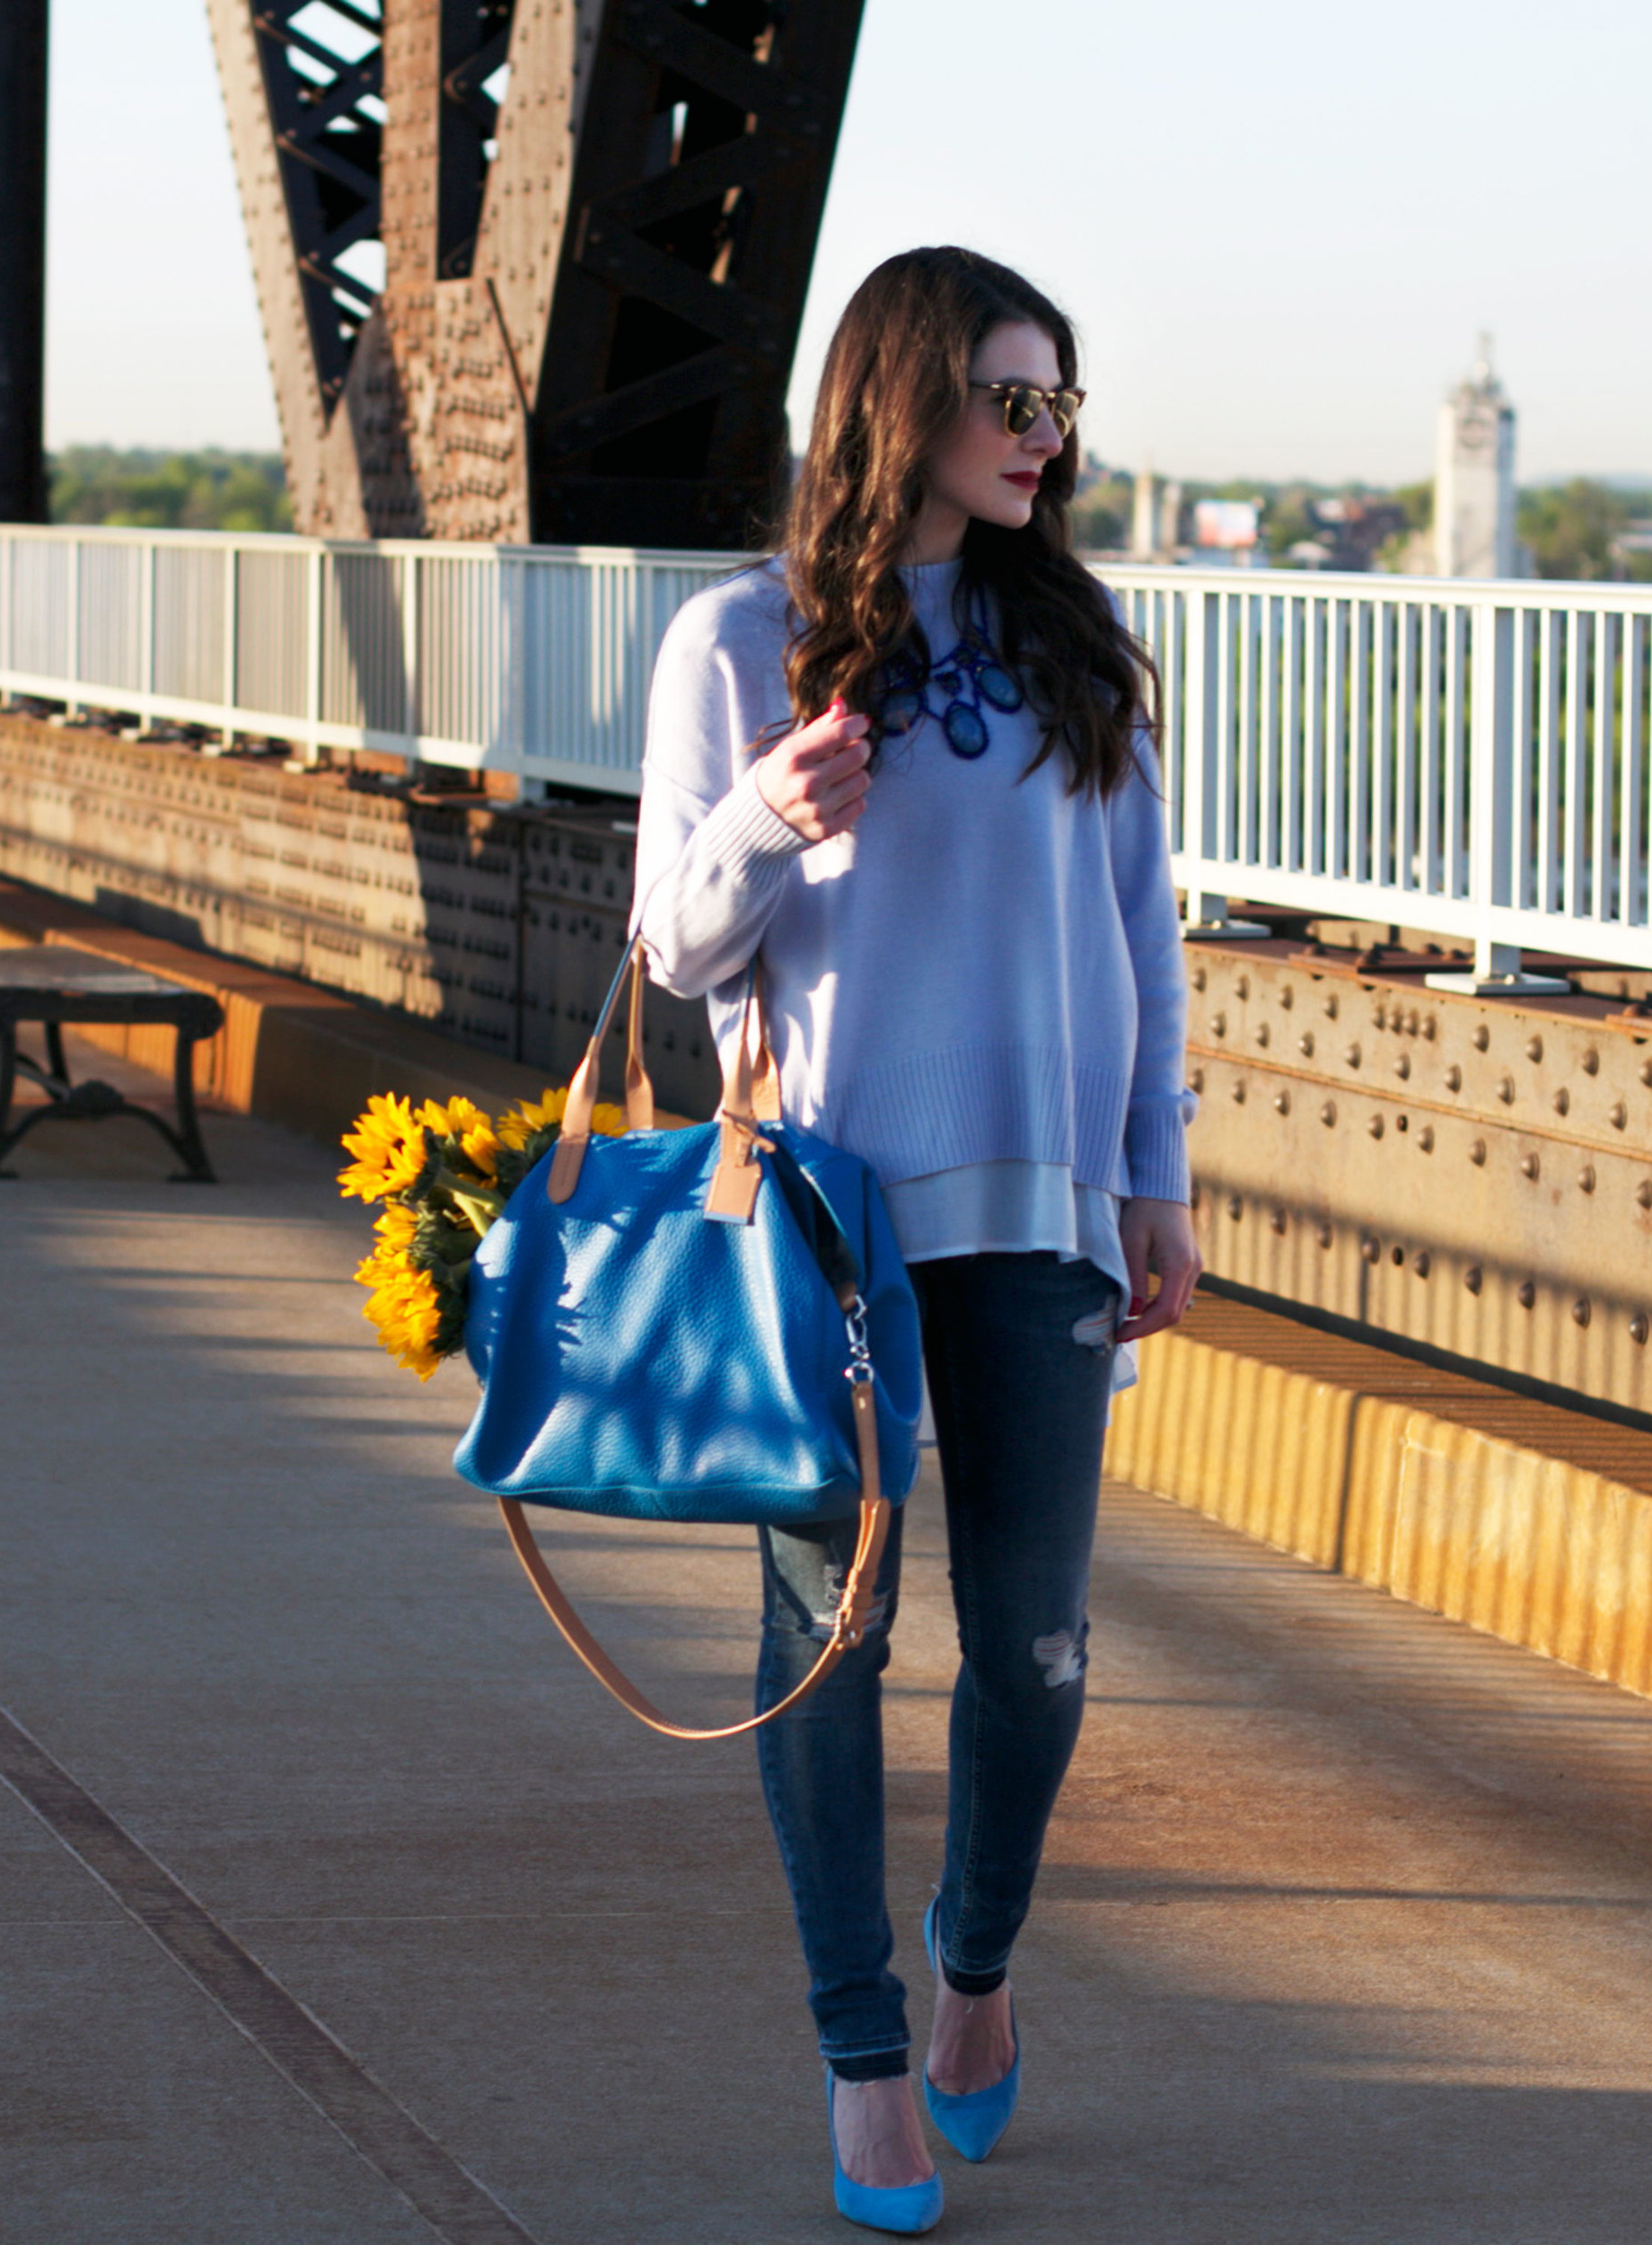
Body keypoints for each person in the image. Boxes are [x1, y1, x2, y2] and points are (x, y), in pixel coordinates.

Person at [630, 244, 1198, 2234]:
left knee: (1033, 1654)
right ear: (905, 403)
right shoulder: (736, 639)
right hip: (828, 1214)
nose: (1044, 437)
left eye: (1059, 403)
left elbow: (1140, 932)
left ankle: (974, 1956)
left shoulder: (1077, 639)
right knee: (830, 1640)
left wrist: (1157, 1175)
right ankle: (861, 2053)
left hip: (1042, 1212)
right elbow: (676, 949)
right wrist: (767, 818)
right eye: (1009, 400)